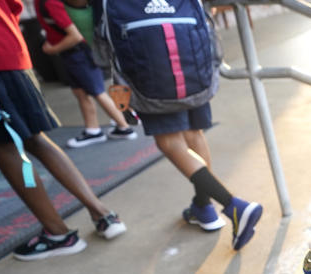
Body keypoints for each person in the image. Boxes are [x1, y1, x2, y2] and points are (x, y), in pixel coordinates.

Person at [98, 1, 263, 251]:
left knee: (169, 141)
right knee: (193, 135)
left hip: (149, 69)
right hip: (191, 61)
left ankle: (234, 206)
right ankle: (203, 206)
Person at [0, 0, 126, 261]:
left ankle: (58, 233)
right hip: (10, 51)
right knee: (37, 140)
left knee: (3, 147)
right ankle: (102, 212)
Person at [35, 0, 137, 148]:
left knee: (97, 91)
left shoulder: (51, 3)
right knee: (80, 92)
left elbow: (75, 36)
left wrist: (53, 49)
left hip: (80, 53)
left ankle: (124, 127)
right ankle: (93, 129)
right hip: (71, 54)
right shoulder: (43, 3)